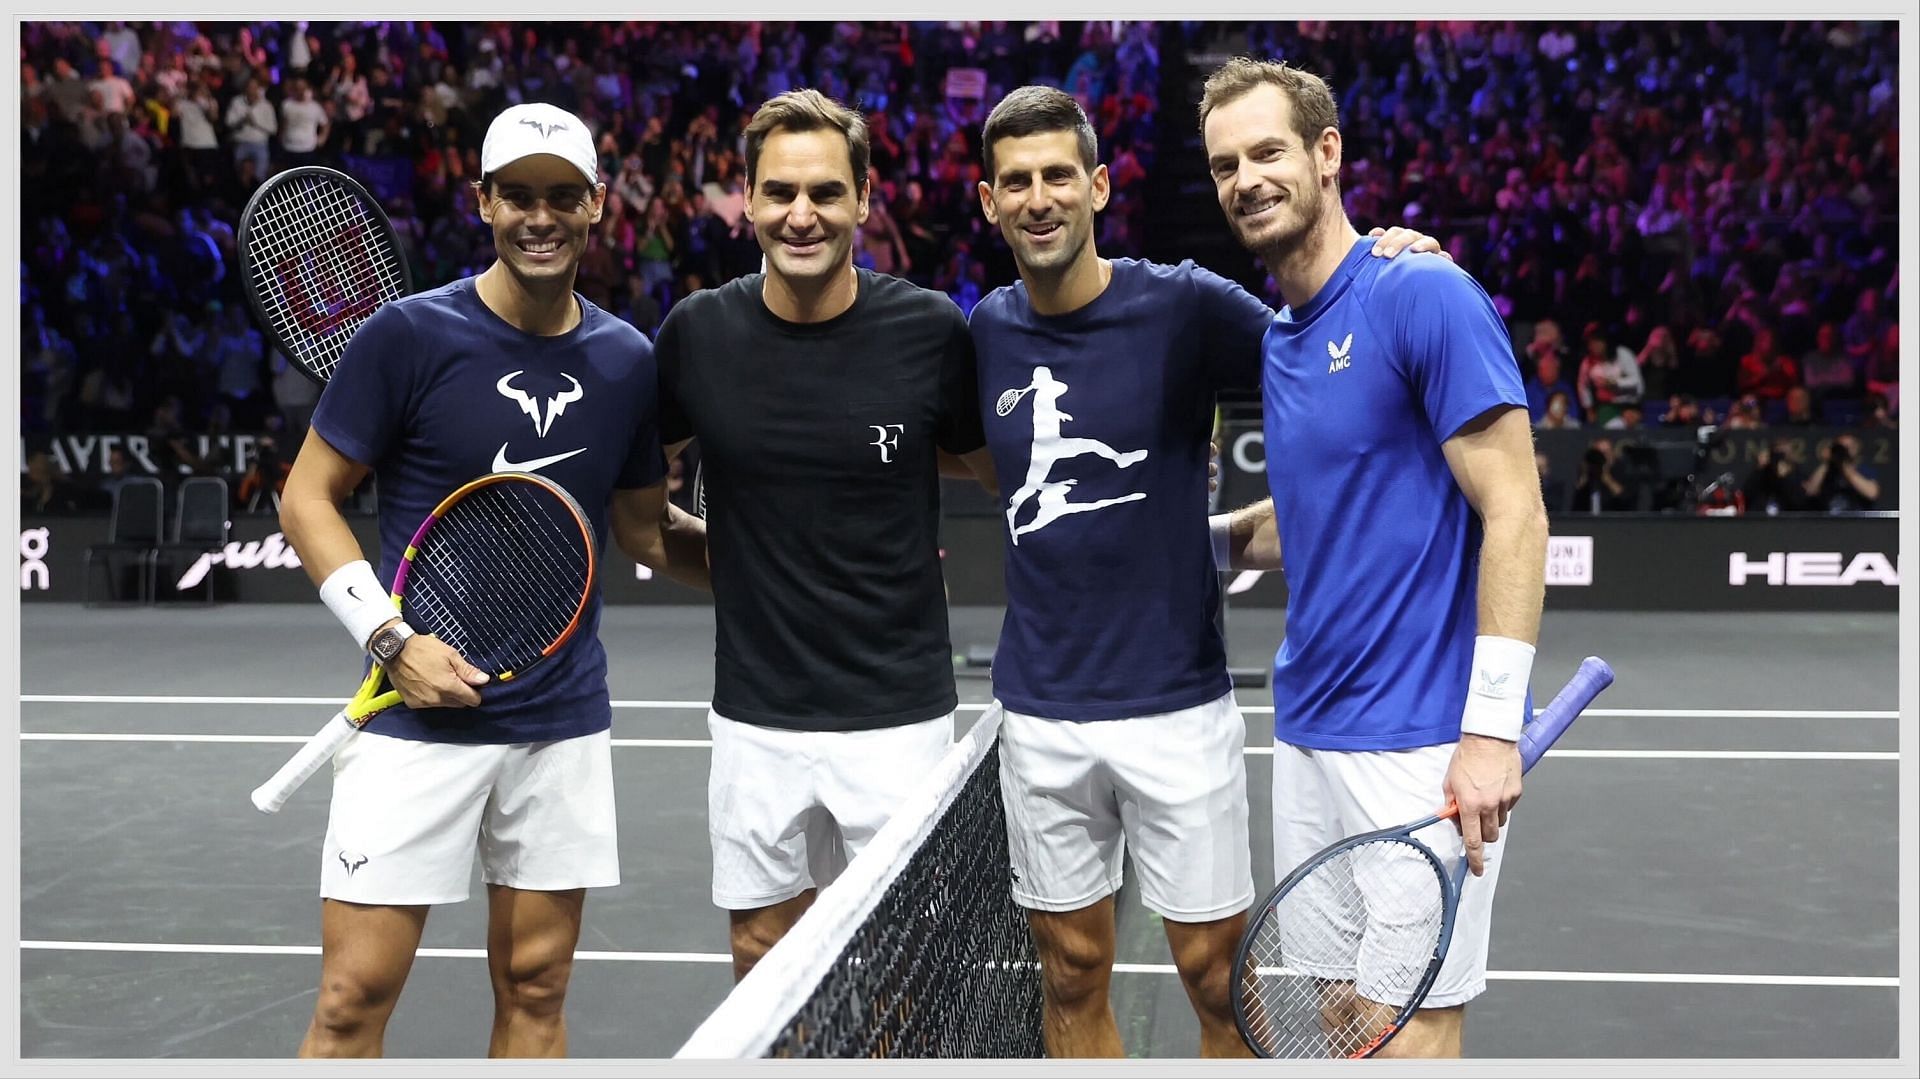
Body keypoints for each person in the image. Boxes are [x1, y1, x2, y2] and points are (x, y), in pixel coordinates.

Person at [968, 85, 1441, 1059]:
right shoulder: (981, 334)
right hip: (1040, 711)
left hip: (1177, 707)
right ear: (989, 201)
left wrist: (1389, 272)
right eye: (1016, 181)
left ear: (1098, 185)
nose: (1039, 196)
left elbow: (1325, 355)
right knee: (1067, 971)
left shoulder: (1183, 304)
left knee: (1220, 979)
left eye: (1060, 173)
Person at [277, 102, 705, 1059]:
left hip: (559, 725)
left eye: (562, 197)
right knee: (350, 1001)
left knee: (537, 992)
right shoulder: (406, 336)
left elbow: (643, 530)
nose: (539, 217)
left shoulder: (628, 361)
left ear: (598, 206)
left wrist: (774, 569)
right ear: (484, 202)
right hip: (413, 718)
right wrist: (390, 641)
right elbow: (307, 498)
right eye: (518, 196)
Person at [1200, 58, 1548, 1059]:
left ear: (1326, 153)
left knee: (1411, 1037)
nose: (1247, 178)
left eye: (1268, 151)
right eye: (1226, 164)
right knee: (1346, 1022)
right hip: (1310, 727)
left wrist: (1488, 729)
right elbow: (1315, 514)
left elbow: (1515, 510)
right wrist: (1197, 547)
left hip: (1419, 744)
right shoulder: (1280, 338)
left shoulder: (1422, 293)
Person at [649, 89, 996, 983]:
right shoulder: (697, 334)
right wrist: (753, 577)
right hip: (754, 718)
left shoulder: (930, 330)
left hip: (901, 717)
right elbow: (641, 519)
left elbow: (994, 469)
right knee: (762, 957)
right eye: (779, 193)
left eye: (825, 193)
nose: (801, 215)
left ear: (864, 196)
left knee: (904, 974)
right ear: (749, 200)